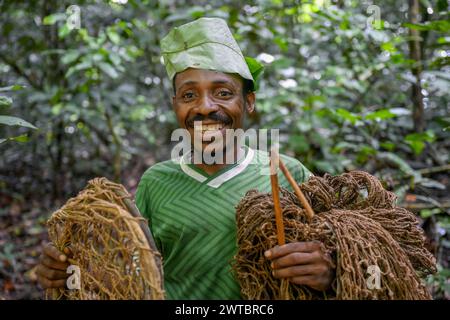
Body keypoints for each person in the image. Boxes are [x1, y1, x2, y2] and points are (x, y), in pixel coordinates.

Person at [36, 17, 334, 299]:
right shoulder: (156, 182)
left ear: (249, 102)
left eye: (223, 93)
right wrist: (70, 273)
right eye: (189, 95)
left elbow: (347, 253)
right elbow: (134, 274)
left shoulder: (287, 174)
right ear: (175, 105)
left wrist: (328, 270)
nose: (205, 107)